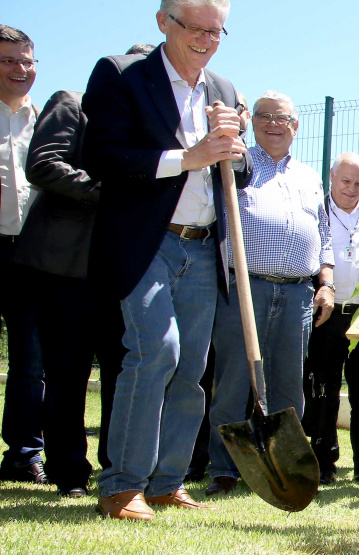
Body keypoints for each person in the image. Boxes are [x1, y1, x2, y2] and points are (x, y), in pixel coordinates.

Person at [83, 0, 251, 521]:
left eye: (216, 31)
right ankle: (122, 484)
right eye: (194, 28)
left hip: (204, 245)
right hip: (146, 241)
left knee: (192, 368)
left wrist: (235, 152)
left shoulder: (222, 89)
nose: (205, 40)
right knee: (157, 349)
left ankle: (166, 481)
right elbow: (100, 156)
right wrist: (188, 157)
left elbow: (239, 176)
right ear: (163, 22)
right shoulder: (122, 75)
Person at [12, 43, 152, 498]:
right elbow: (44, 165)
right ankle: (69, 472)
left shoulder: (153, 124)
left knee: (121, 370)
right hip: (62, 268)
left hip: (121, 268)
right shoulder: (71, 103)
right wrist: (110, 194)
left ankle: (117, 469)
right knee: (66, 372)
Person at [205, 90, 333, 496]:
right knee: (233, 383)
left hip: (297, 294)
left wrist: (325, 283)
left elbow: (325, 236)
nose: (273, 124)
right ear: (252, 122)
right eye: (264, 117)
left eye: (281, 118)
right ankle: (224, 468)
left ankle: (283, 467)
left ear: (296, 126)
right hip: (245, 288)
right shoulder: (237, 165)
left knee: (289, 387)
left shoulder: (311, 177)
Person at [302, 152, 359, 487]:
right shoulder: (314, 212)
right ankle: (324, 462)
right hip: (327, 312)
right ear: (332, 177)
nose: (352, 189)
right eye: (346, 181)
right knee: (324, 388)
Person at [186, 89, 250, 484]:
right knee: (221, 381)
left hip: (291, 291)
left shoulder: (242, 158)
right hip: (231, 279)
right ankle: (215, 465)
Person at [0, 24, 45, 486]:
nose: (21, 69)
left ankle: (24, 454)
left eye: (28, 60)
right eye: (10, 60)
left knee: (31, 362)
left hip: (32, 255)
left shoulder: (47, 121)